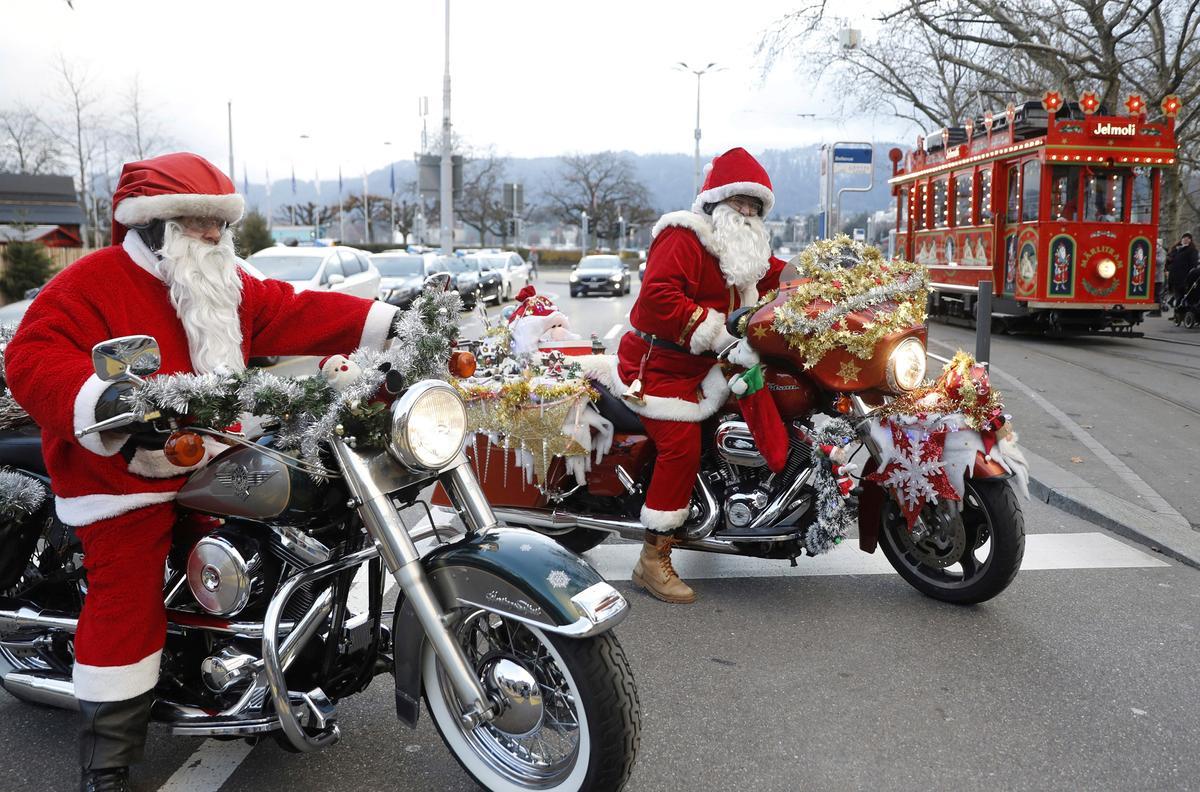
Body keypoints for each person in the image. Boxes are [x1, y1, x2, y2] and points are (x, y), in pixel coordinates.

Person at [4, 152, 399, 792]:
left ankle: (250, 664)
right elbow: (32, 355)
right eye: (194, 222)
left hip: (211, 453)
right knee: (128, 590)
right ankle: (107, 763)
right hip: (125, 476)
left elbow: (296, 309)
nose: (212, 236)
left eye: (217, 223)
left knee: (290, 531)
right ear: (153, 225)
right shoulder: (94, 281)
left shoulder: (225, 283)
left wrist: (387, 323)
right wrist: (105, 401)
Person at [583, 147, 785, 604]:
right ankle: (651, 560)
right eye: (741, 203)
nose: (749, 213)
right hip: (656, 368)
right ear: (716, 202)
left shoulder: (741, 252)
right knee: (680, 447)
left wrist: (826, 282)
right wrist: (716, 334)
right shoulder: (683, 236)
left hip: (704, 366)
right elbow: (658, 296)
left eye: (756, 206)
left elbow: (779, 278)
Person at [1166, 233, 1198, 314]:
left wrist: (1191, 274)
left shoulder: (1192, 250)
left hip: (1185, 277)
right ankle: (1177, 314)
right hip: (1174, 277)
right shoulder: (1176, 249)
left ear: (1190, 240)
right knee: (1177, 296)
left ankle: (1179, 314)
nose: (1185, 240)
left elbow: (1194, 264)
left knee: (1183, 296)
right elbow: (1169, 262)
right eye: (1184, 238)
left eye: (1188, 238)